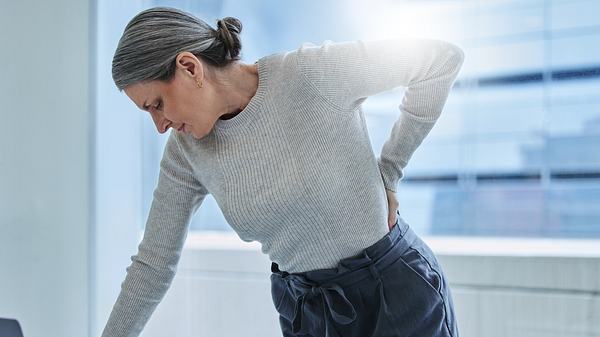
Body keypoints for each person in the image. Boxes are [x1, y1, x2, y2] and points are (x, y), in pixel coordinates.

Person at [103, 6, 465, 337]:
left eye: (157, 105)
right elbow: (153, 264)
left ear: (190, 67)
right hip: (308, 313)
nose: (160, 126)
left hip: (396, 294)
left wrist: (389, 170)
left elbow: (440, 60)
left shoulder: (309, 75)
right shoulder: (185, 154)